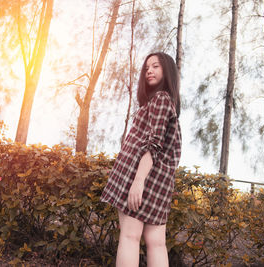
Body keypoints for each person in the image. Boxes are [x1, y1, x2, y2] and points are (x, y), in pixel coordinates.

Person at [100, 52, 182, 267]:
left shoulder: (161, 99)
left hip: (141, 175)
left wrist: (138, 181)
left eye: (155, 66)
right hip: (160, 180)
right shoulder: (164, 102)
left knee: (129, 236)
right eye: (147, 68)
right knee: (156, 242)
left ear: (168, 71)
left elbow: (153, 144)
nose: (149, 71)